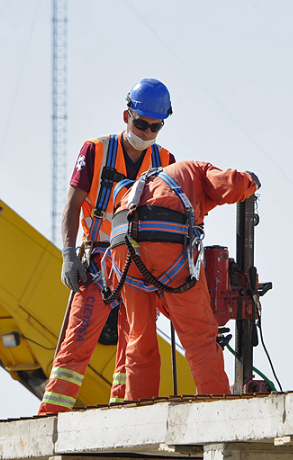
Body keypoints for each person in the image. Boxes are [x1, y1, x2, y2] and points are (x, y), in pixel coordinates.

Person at [38, 79, 175, 414]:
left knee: (134, 346)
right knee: (77, 340)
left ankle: (123, 414)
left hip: (140, 267)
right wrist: (68, 256)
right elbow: (72, 206)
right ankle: (51, 415)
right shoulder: (95, 151)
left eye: (155, 127)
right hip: (98, 261)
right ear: (126, 116)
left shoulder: (166, 160)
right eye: (140, 124)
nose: (146, 133)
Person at [104, 160, 260, 401]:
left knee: (139, 338)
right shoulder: (197, 170)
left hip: (122, 247)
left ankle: (138, 406)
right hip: (164, 241)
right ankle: (216, 406)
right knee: (200, 338)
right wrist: (251, 181)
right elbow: (232, 186)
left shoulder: (147, 182)